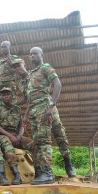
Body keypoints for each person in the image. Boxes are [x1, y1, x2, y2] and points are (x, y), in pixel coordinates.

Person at [14, 47, 76, 185]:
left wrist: (52, 105)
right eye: (30, 54)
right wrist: (26, 115)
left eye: (35, 54)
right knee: (39, 140)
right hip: (35, 110)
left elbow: (57, 84)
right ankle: (42, 171)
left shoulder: (45, 68)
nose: (32, 56)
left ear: (41, 55)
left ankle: (60, 168)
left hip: (45, 107)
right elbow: (30, 98)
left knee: (58, 136)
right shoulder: (30, 75)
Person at [0, 87, 27, 185]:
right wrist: (10, 136)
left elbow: (22, 125)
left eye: (8, 94)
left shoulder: (17, 109)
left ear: (11, 95)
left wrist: (20, 136)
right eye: (4, 95)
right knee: (8, 147)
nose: (6, 96)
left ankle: (41, 170)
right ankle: (16, 174)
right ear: (1, 97)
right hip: (4, 134)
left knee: (35, 144)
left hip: (17, 135)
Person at [0, 40, 26, 105]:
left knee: (12, 104)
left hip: (11, 85)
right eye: (1, 47)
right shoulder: (0, 62)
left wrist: (12, 66)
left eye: (5, 47)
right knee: (0, 105)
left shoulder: (15, 59)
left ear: (9, 47)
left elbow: (22, 72)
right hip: (1, 86)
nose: (3, 49)